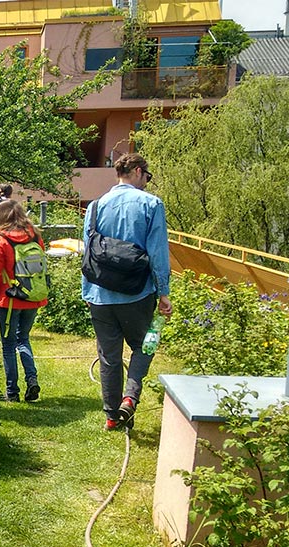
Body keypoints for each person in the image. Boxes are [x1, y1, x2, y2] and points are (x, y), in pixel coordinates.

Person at [81, 153, 172, 430]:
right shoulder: (151, 204)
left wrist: (88, 292)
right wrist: (163, 291)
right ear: (136, 171)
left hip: (100, 295)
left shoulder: (95, 206)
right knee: (147, 344)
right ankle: (130, 398)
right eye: (147, 175)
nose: (147, 181)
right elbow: (158, 251)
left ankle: (111, 417)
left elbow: (88, 254)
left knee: (108, 355)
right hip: (137, 293)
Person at [0, 200, 47, 402]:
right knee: (23, 338)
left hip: (10, 299)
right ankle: (31, 379)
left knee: (8, 345)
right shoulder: (34, 234)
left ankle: (12, 392)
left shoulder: (0, 239)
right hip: (33, 297)